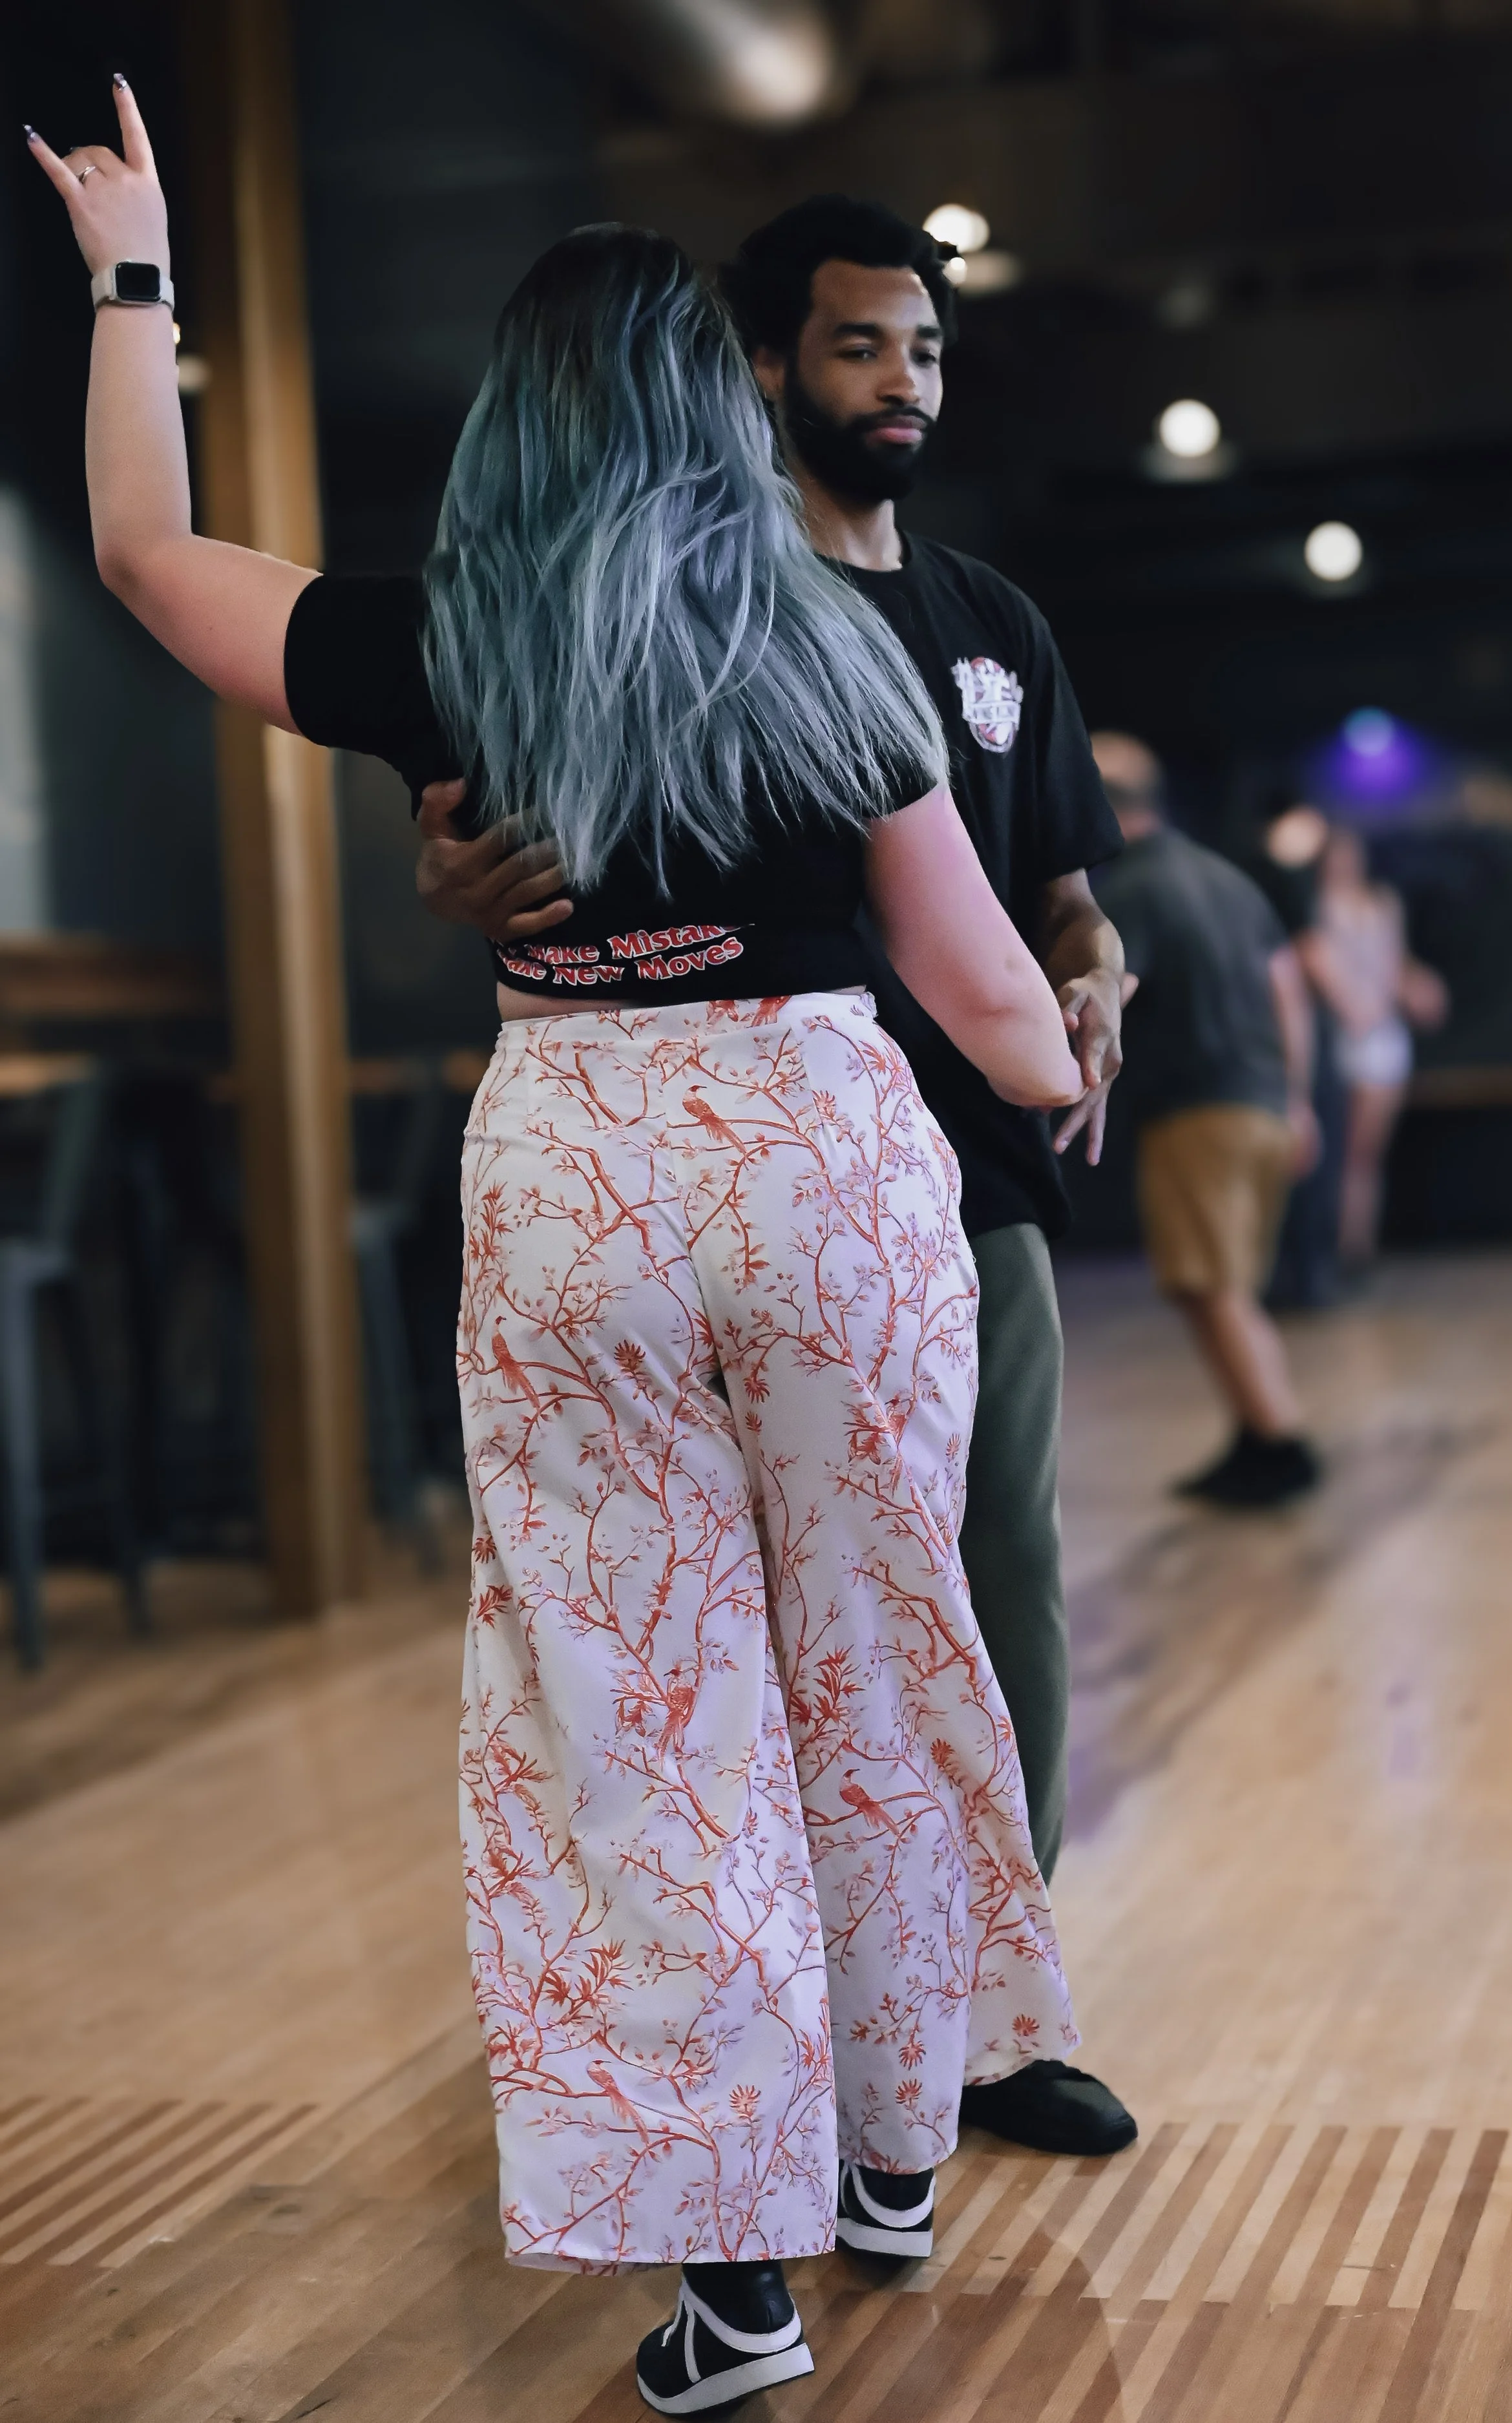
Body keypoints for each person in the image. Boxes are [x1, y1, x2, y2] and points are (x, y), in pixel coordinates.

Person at [32, 89, 1092, 2415]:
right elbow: (984, 979)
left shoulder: (444, 646)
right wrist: (1052, 1089)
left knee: (648, 1722)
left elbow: (137, 549)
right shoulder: (840, 655)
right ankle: (897, 2148)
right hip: (825, 1154)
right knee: (884, 1647)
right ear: (720, 416)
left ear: (520, 424)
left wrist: (138, 279)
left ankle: (733, 2289)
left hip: (582, 1176)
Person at [414, 194, 1139, 2163]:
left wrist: (1090, 968)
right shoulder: (646, 610)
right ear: (752, 371)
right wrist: (454, 871)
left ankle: (981, 2023)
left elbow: (1058, 895)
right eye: (853, 346)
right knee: (708, 1635)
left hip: (955, 1191)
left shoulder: (988, 629)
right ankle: (785, 2050)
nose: (897, 380)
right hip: (702, 1179)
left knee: (980, 1586)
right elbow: (495, 837)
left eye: (920, 349)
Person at [1089, 734, 1325, 1509]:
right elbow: (1287, 992)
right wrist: (1296, 1098)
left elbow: (1105, 997)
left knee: (1211, 1286)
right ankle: (1256, 1433)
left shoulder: (1127, 889)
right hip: (1261, 1104)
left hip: (1197, 1112)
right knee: (1225, 1287)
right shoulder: (1228, 879)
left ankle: (1279, 1442)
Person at [1316, 824, 1448, 1270]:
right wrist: (1354, 1006)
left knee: (1366, 1153)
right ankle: (1334, 1249)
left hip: (1381, 1038)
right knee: (1340, 1149)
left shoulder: (1383, 904)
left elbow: (1397, 964)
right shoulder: (1315, 908)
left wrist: (1417, 987)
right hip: (1339, 1038)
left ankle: (1357, 1247)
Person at [1241, 798, 1349, 1312]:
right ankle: (1307, 1277)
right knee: (1308, 1151)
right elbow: (1306, 958)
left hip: (1259, 1041)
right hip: (1292, 1035)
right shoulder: (1282, 877)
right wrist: (1356, 1005)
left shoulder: (1245, 873)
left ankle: (1295, 1276)